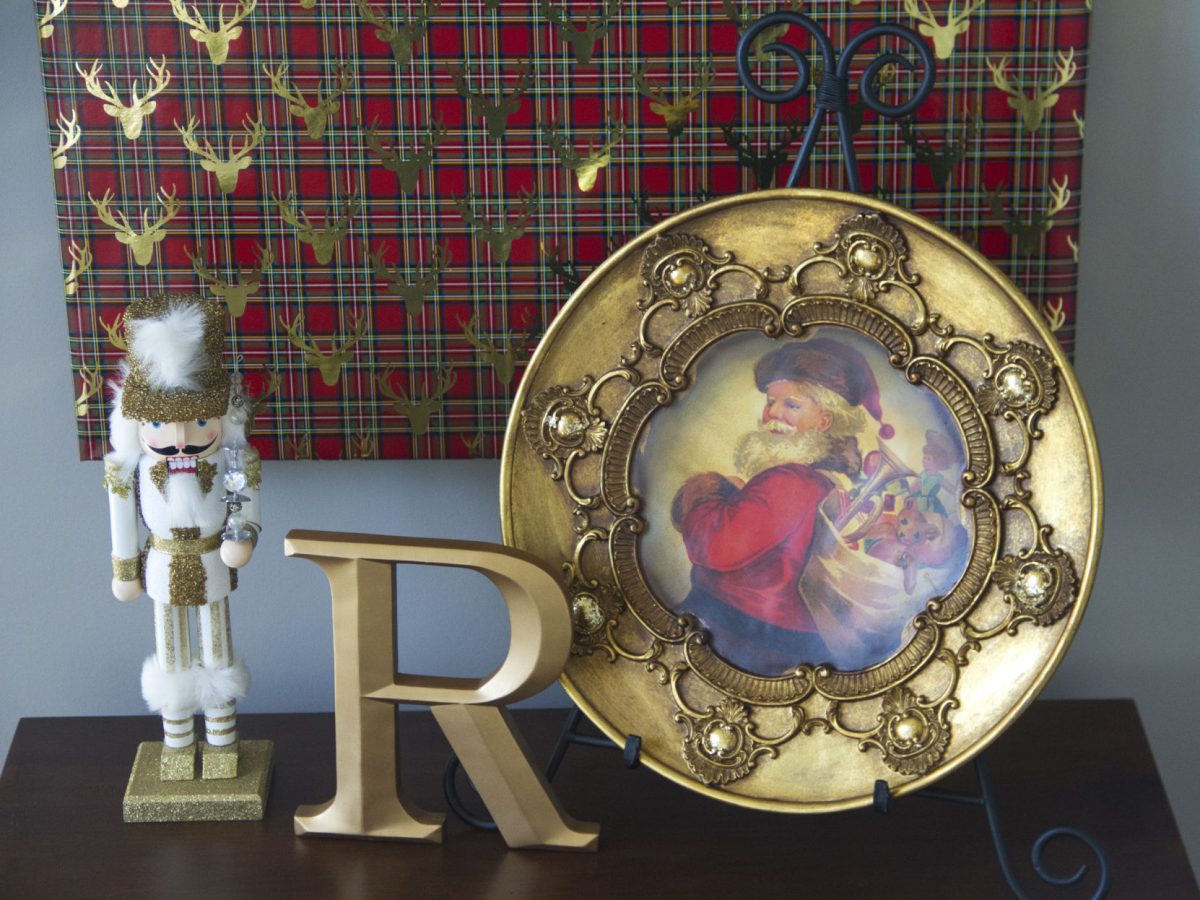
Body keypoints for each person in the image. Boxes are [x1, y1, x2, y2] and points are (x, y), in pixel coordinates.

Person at [103, 293, 261, 780]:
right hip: (162, 565)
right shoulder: (128, 470)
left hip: (213, 561)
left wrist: (242, 536)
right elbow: (122, 518)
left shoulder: (233, 460)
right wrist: (125, 569)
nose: (178, 439)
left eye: (197, 421)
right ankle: (177, 743)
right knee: (170, 651)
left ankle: (221, 742)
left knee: (217, 650)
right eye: (158, 423)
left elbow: (244, 500)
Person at [671, 338, 894, 674]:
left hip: (739, 630)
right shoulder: (815, 480)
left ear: (824, 420)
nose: (772, 413)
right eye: (770, 402)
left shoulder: (790, 481)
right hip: (777, 635)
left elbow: (717, 546)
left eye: (791, 404)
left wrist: (706, 493)